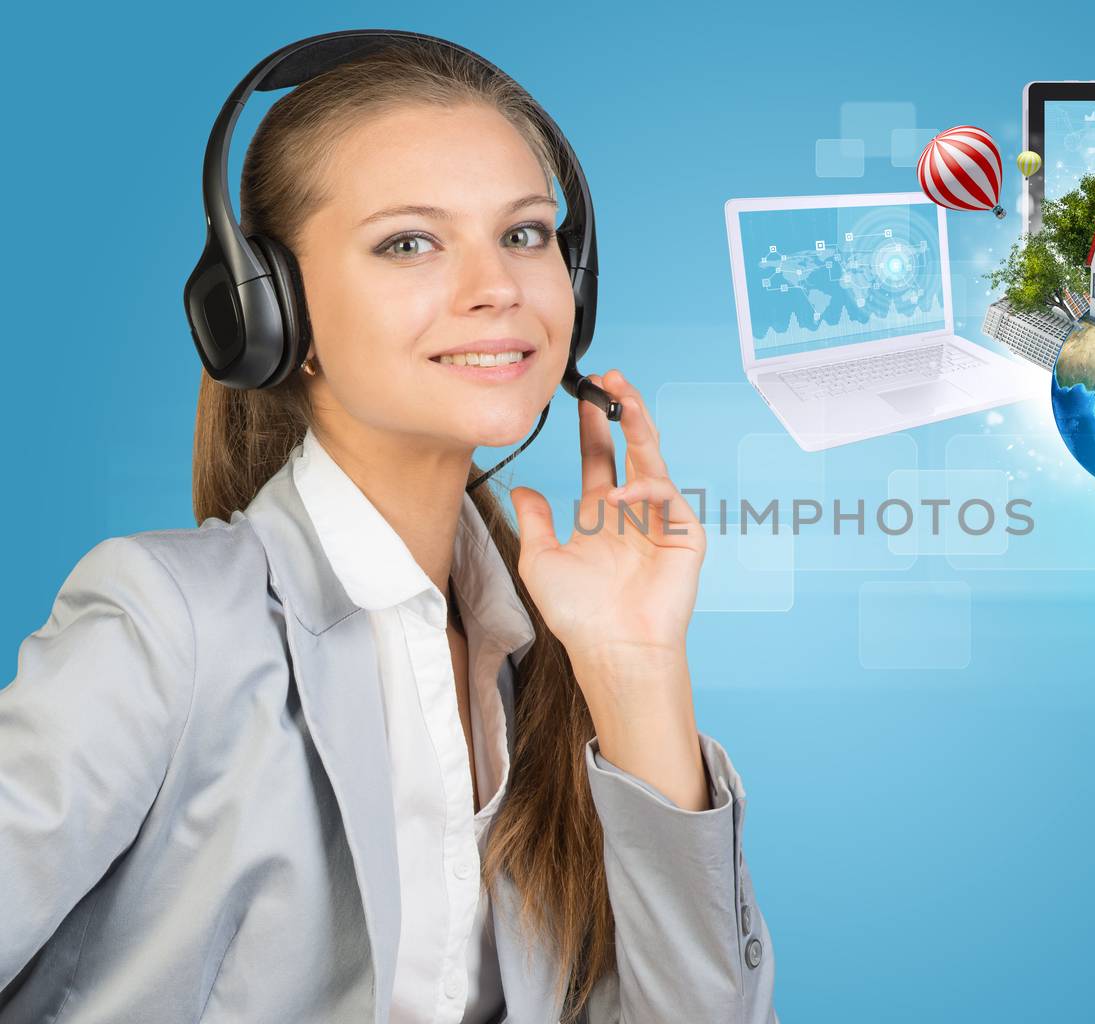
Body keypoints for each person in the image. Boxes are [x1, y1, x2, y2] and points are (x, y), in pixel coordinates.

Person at [0, 36, 776, 1024]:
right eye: (410, 242)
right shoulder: (168, 625)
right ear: (268, 312)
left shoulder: (539, 659)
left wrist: (633, 671)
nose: (497, 285)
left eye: (527, 234)